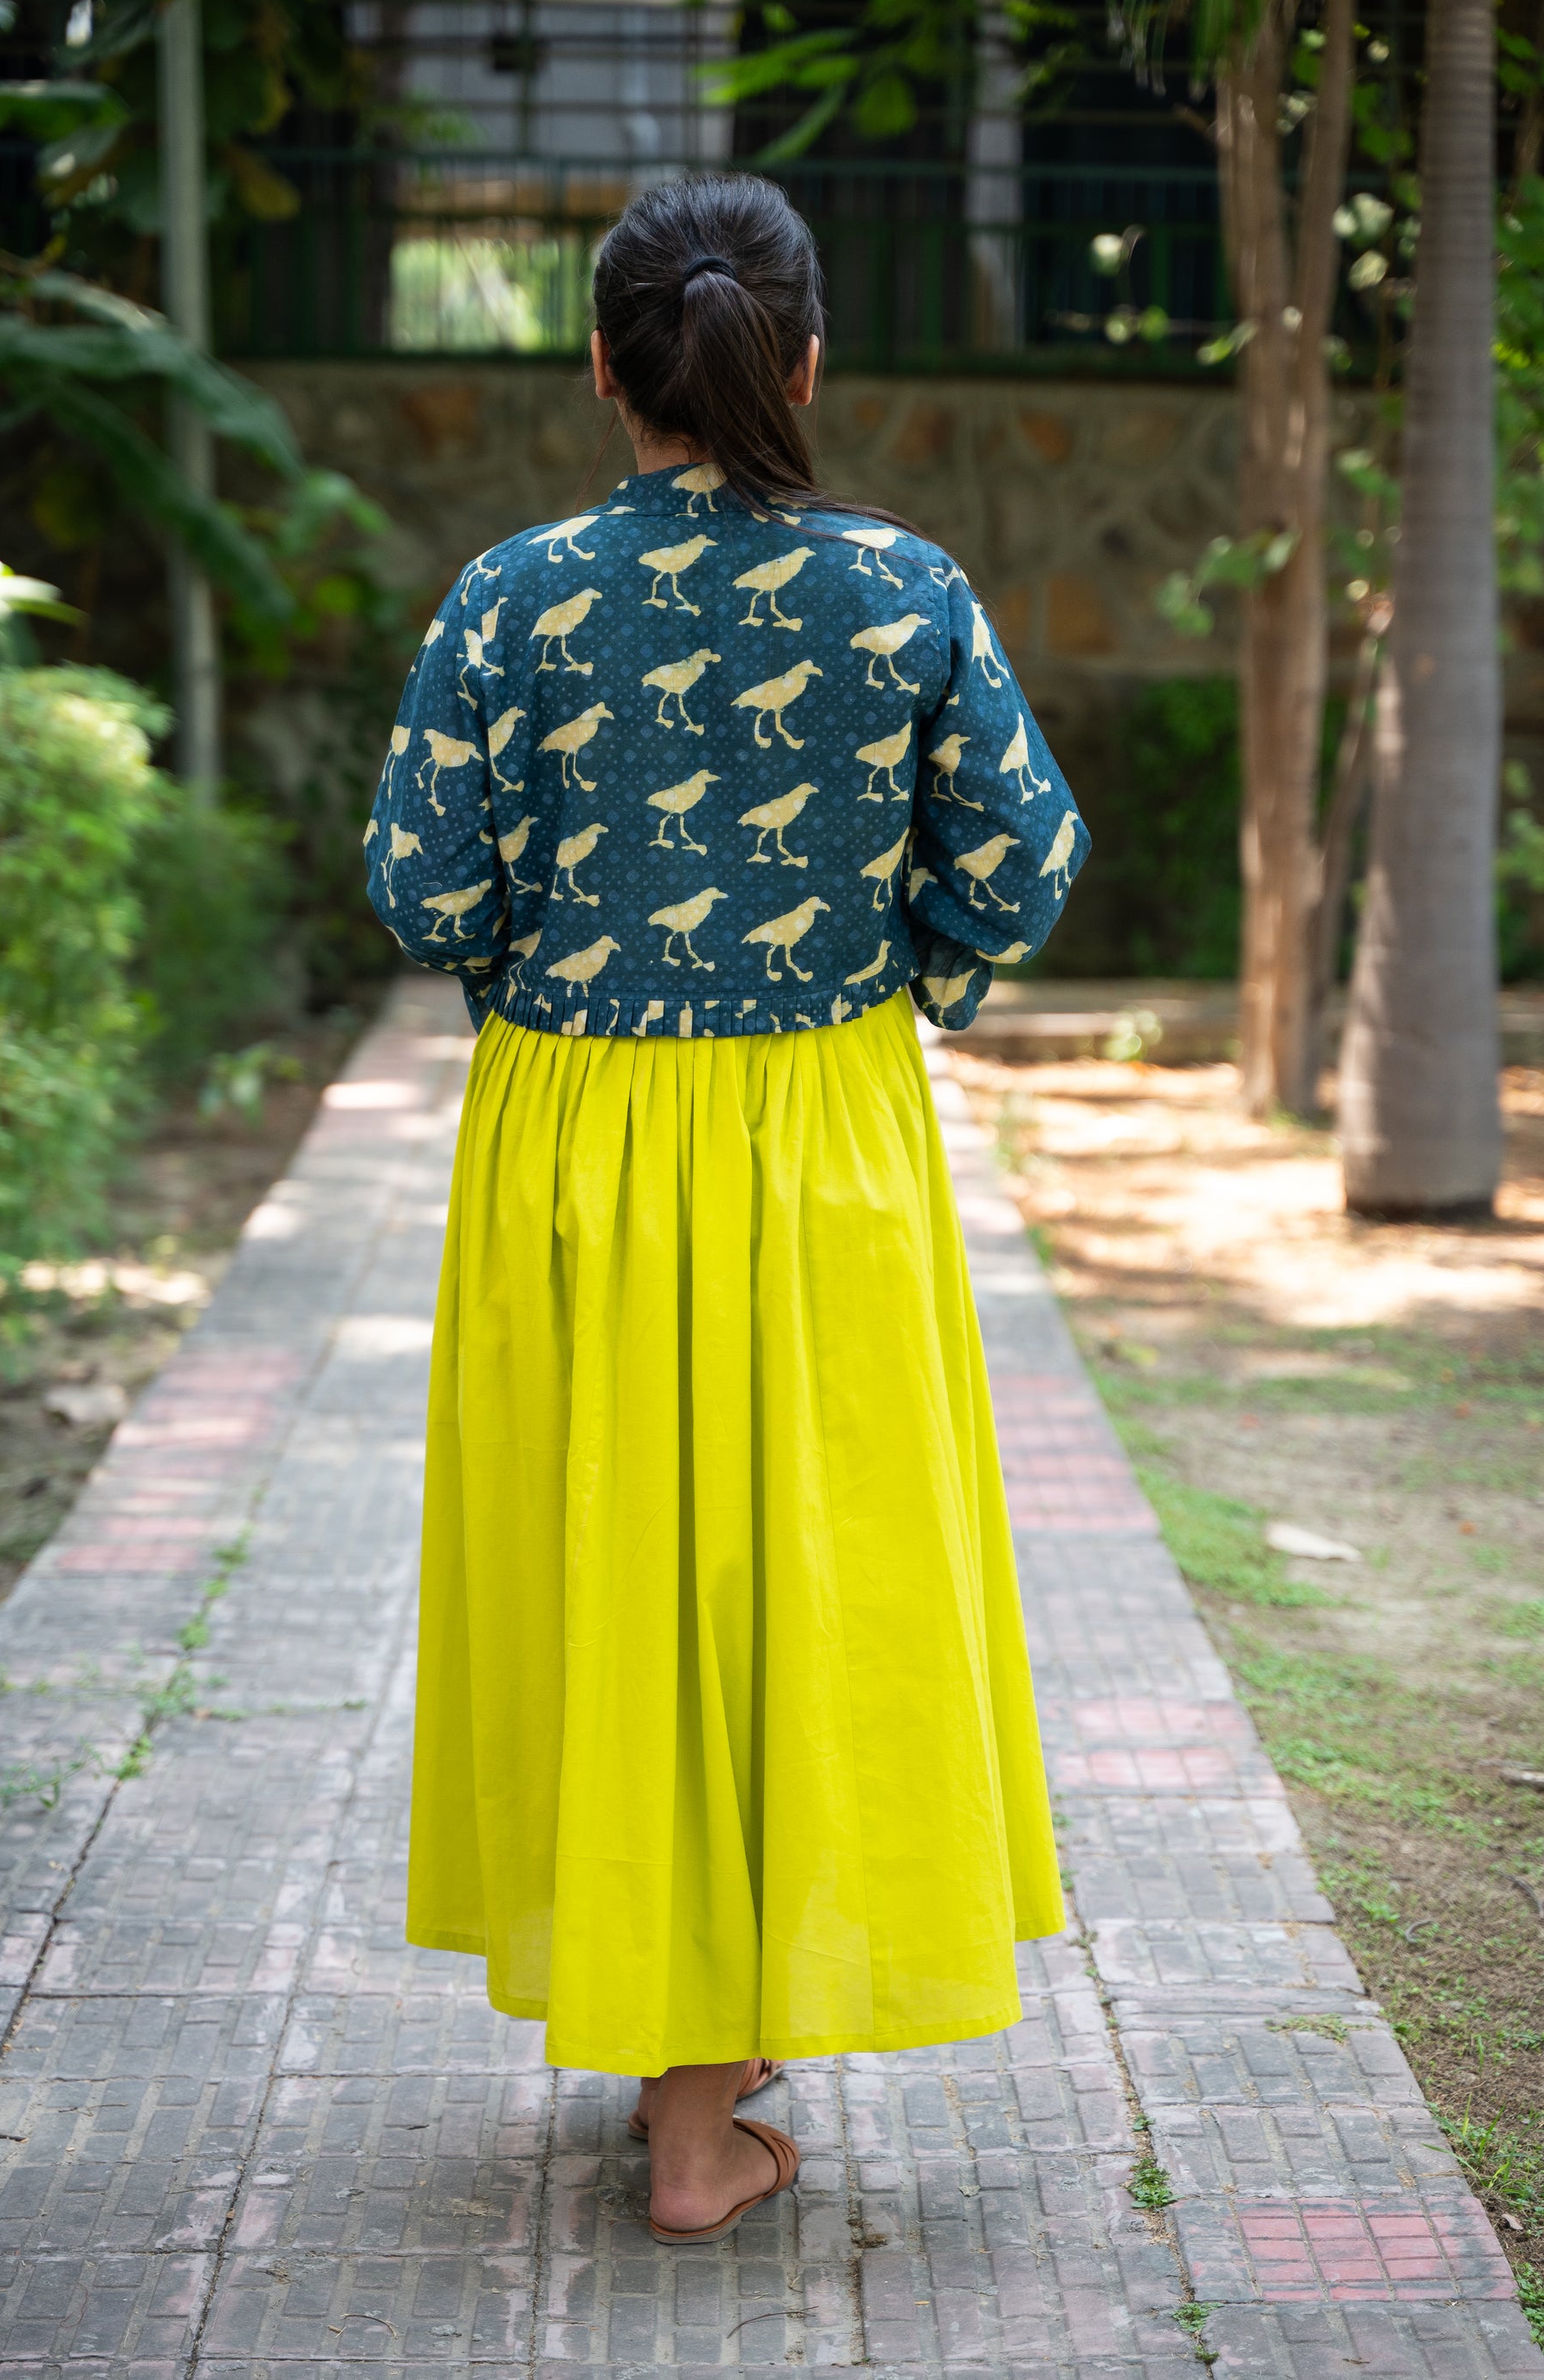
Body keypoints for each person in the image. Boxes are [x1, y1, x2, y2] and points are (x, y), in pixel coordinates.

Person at [366, 174, 1089, 2247]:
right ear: (806, 363)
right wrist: (899, 971)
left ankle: (691, 2058)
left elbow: (423, 885)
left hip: (574, 1136)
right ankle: (705, 2118)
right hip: (822, 1133)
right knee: (799, 1559)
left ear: (603, 363)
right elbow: (1022, 868)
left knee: (619, 1563)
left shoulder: (510, 597)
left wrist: (548, 981)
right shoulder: (903, 587)